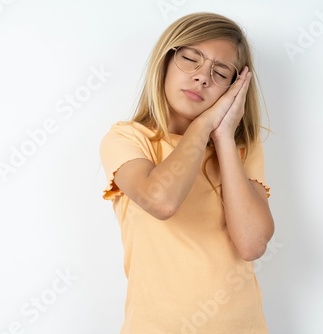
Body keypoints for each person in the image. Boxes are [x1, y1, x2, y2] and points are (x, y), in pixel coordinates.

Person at [100, 12, 275, 334]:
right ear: (165, 61)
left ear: (233, 89)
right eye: (191, 59)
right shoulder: (128, 138)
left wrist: (223, 138)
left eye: (220, 72)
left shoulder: (240, 150)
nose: (202, 77)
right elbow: (161, 201)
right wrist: (204, 124)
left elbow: (252, 244)